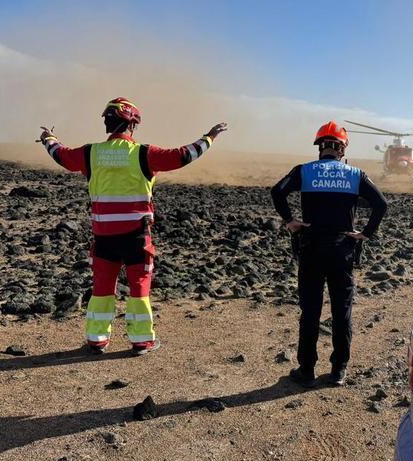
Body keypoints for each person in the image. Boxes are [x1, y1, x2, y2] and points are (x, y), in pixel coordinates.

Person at [37, 97, 227, 355]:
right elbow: (184, 155)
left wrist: (49, 138)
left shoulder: (90, 153)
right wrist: (209, 137)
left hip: (104, 238)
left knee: (102, 288)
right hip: (136, 237)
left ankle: (96, 340)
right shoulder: (143, 154)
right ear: (133, 125)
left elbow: (61, 154)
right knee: (139, 288)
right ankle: (141, 341)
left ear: (108, 123)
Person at [271, 121, 388, 387]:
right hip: (342, 251)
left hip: (311, 249)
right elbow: (381, 204)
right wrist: (366, 233)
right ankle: (338, 370)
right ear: (342, 149)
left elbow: (277, 192)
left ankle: (306, 370)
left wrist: (290, 220)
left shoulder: (304, 171)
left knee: (310, 311)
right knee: (342, 311)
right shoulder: (355, 174)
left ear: (320, 147)